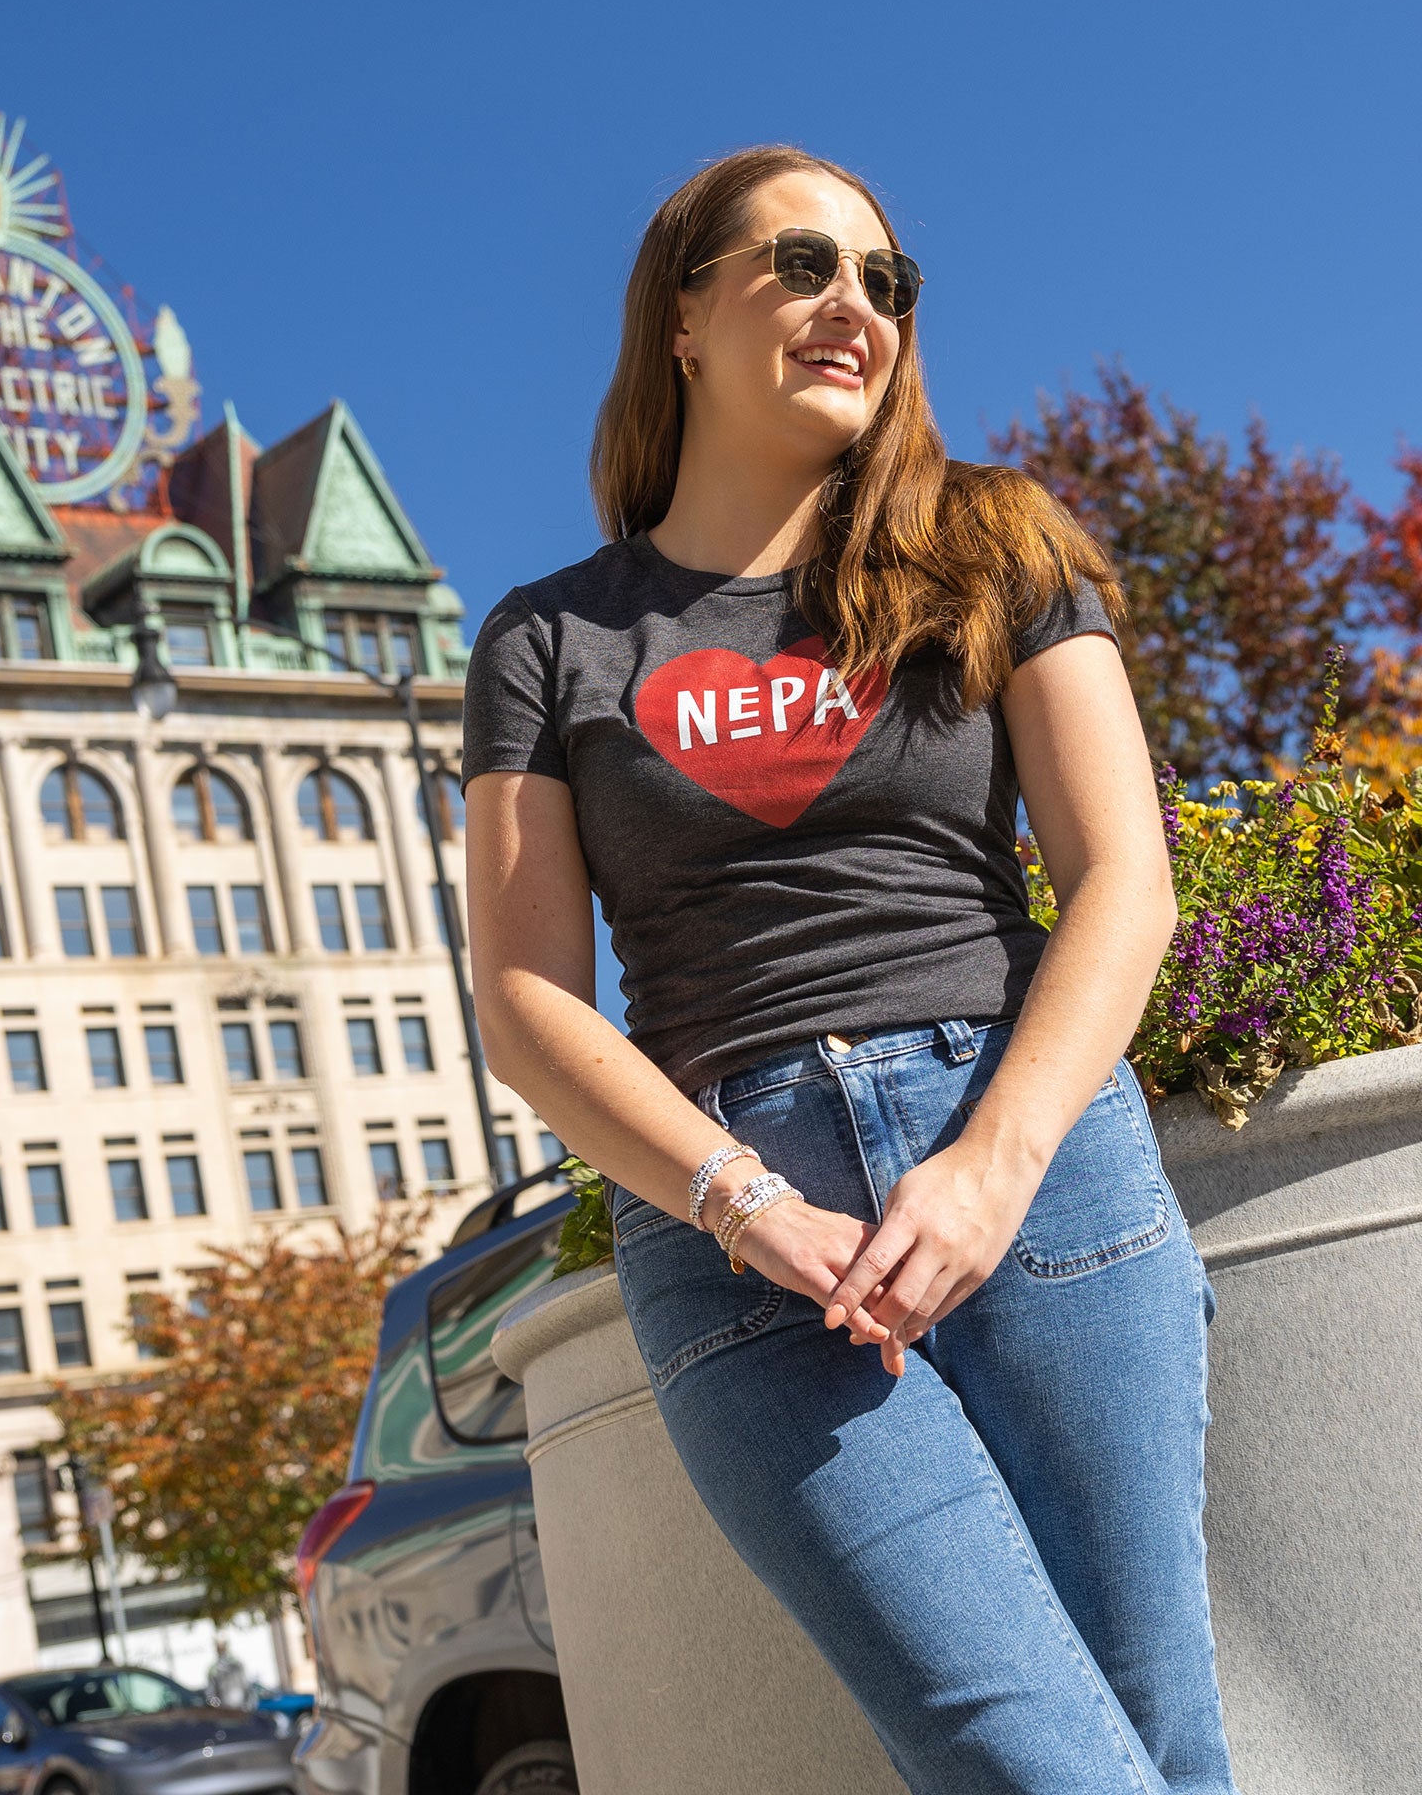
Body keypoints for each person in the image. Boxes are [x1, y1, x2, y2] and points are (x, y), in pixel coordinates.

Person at [461, 145, 1239, 1794]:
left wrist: (989, 1168)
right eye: (802, 266)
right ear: (684, 312)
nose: (854, 308)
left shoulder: (999, 549)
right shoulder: (551, 640)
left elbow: (1124, 880)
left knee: (1156, 1733)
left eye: (885, 283)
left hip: (1038, 1171)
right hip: (736, 1230)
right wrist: (747, 1204)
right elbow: (527, 1005)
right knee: (1024, 1751)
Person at [205, 1630, 250, 1710]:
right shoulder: (214, 1669)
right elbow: (210, 1695)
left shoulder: (238, 1665)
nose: (221, 1648)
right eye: (219, 1645)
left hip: (240, 1712)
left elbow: (246, 1687)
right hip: (226, 1714)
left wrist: (247, 1706)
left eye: (222, 1645)